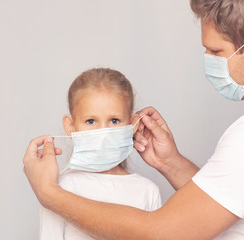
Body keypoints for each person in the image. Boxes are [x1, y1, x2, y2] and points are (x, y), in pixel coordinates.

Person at [23, 0, 244, 239]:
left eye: (216, 51)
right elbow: (229, 202)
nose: (207, 59)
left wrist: (49, 194)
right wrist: (170, 162)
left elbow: (162, 232)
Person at [38, 68, 162, 239]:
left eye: (114, 120)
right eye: (90, 121)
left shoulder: (148, 191)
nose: (103, 133)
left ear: (132, 124)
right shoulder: (57, 189)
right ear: (71, 126)